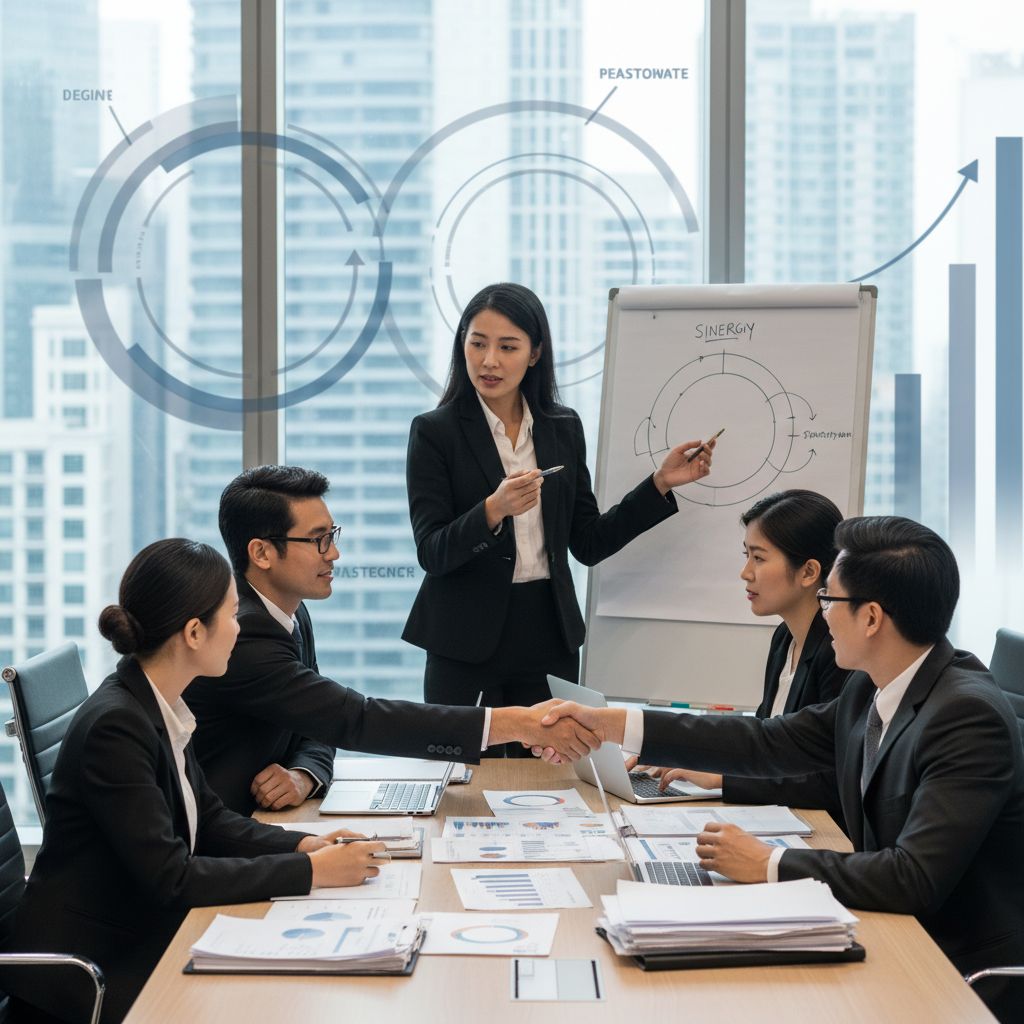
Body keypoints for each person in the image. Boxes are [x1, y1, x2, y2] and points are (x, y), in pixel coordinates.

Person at [538, 516, 1024, 1023]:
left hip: (953, 969)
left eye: (829, 600)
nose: (823, 615)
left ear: (872, 618)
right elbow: (769, 741)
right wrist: (613, 722)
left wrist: (768, 864)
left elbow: (914, 876)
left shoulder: (966, 716)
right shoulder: (870, 686)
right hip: (889, 928)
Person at [1, 539, 388, 1024]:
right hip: (91, 973)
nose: (240, 627)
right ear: (193, 633)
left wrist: (307, 846)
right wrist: (316, 873)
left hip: (134, 936)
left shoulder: (155, 703)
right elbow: (174, 878)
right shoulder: (116, 727)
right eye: (232, 614)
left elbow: (209, 819)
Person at [402, 282, 713, 747]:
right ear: (461, 345)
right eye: (477, 343)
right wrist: (493, 510)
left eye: (508, 347)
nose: (489, 361)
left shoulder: (562, 427)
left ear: (534, 354)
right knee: (463, 779)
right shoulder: (434, 432)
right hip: (463, 640)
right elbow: (432, 552)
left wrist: (660, 484)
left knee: (550, 778)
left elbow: (588, 541)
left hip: (547, 632)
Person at [187, 465, 599, 814]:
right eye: (318, 540)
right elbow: (354, 719)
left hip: (266, 819)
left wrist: (304, 774)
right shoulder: (244, 633)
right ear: (261, 553)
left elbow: (316, 722)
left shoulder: (287, 609)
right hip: (218, 839)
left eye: (333, 535)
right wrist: (519, 723)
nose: (333, 554)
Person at [632, 489, 848, 828]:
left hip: (821, 831)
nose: (745, 573)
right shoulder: (785, 637)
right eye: (746, 556)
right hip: (777, 818)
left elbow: (830, 780)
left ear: (808, 572)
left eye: (759, 558)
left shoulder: (840, 653)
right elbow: (761, 738)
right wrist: (680, 755)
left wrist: (723, 777)